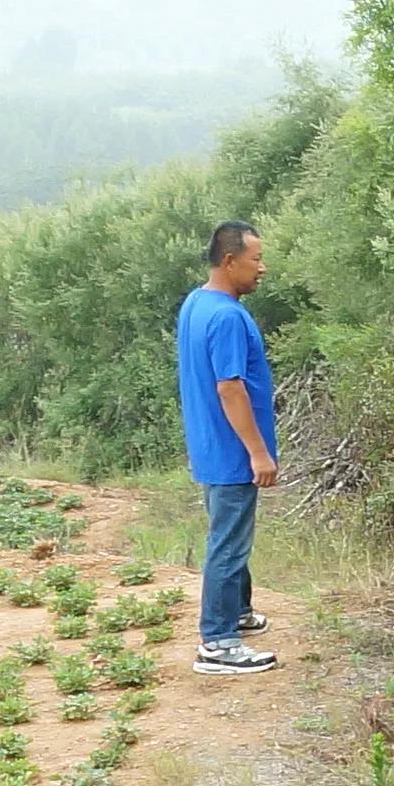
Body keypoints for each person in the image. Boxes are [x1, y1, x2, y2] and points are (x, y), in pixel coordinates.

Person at [173, 219, 278, 670]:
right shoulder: (228, 317)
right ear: (230, 261)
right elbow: (230, 387)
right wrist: (257, 451)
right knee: (228, 542)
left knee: (230, 532)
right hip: (232, 449)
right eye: (256, 260)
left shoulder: (196, 303)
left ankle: (238, 611)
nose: (263, 269)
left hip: (210, 444)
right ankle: (217, 643)